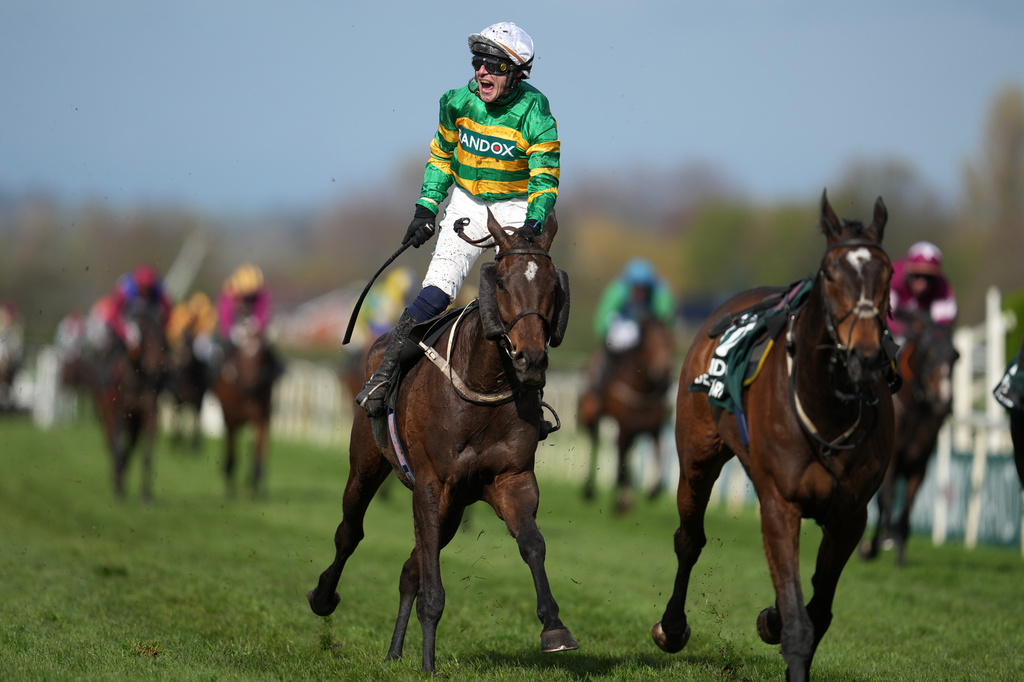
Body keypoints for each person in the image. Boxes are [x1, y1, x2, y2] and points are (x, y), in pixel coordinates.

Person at [355, 21, 560, 417]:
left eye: (495, 66)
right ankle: (384, 377)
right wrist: (426, 207)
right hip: (467, 205)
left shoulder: (536, 111)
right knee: (436, 291)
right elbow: (441, 158)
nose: (482, 71)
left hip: (517, 206)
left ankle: (532, 398)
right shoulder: (455, 102)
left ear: (517, 74)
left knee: (530, 289)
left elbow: (545, 176)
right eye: (478, 62)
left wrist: (534, 221)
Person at [583, 259, 675, 397]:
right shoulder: (617, 290)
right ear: (629, 284)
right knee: (616, 343)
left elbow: (666, 318)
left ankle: (663, 392)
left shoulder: (659, 292)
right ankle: (598, 384)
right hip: (622, 327)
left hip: (645, 331)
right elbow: (602, 319)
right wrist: (606, 335)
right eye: (637, 287)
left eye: (644, 288)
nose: (640, 291)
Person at [214, 263, 284, 383]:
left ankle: (276, 371)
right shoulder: (228, 291)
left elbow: (265, 310)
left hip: (254, 326)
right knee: (218, 350)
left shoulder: (262, 291)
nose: (248, 297)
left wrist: (256, 324)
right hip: (234, 328)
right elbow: (224, 316)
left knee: (269, 343)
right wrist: (233, 331)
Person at [888, 241, 957, 340]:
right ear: (908, 271)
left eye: (928, 277)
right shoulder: (891, 278)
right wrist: (906, 330)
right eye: (917, 275)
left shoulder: (942, 288)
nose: (922, 283)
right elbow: (884, 317)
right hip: (896, 326)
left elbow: (943, 327)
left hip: (923, 326)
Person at [108, 263, 173, 352]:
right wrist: (124, 331)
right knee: (132, 340)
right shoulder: (126, 288)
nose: (146, 292)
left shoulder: (159, 289)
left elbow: (168, 310)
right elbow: (114, 313)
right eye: (143, 288)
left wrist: (162, 326)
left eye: (148, 289)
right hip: (128, 322)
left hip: (151, 321)